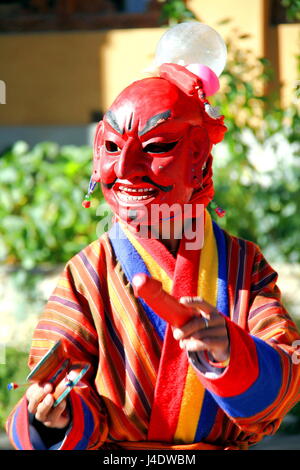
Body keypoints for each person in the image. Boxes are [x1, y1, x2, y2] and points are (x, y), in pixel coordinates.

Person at [6, 32, 300, 451]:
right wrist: (55, 415)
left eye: (158, 147)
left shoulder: (240, 265)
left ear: (199, 158)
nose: (125, 168)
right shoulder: (88, 273)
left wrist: (230, 351)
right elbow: (58, 375)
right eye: (111, 146)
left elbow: (287, 371)